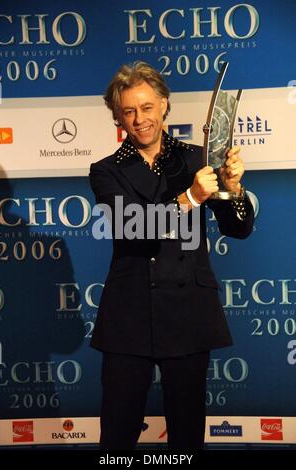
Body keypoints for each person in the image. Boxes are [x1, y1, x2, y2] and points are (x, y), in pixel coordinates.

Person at [89, 61, 254, 450]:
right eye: (128, 111)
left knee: (186, 438)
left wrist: (233, 189)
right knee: (117, 437)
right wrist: (190, 198)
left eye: (146, 108)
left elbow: (238, 229)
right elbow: (132, 226)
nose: (139, 119)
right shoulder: (105, 170)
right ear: (118, 117)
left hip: (188, 313)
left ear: (164, 105)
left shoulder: (197, 159)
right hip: (129, 316)